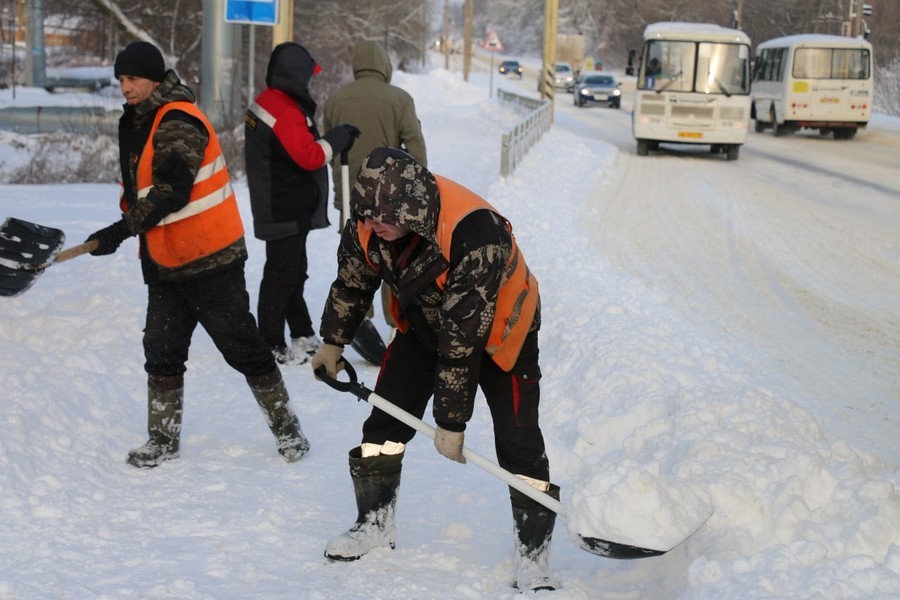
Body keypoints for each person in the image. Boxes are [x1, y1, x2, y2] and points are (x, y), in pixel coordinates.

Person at [311, 147, 559, 592]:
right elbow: (352, 280)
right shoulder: (369, 224)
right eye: (365, 215)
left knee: (519, 444)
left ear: (412, 208)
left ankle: (533, 555)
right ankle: (375, 525)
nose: (373, 225)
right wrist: (333, 341)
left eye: (383, 216)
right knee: (382, 427)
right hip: (426, 326)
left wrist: (451, 422)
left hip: (502, 331)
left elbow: (463, 341)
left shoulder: (474, 232)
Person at [85, 41, 309, 468]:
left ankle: (287, 430)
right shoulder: (137, 121)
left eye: (133, 79)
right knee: (161, 348)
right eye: (121, 80)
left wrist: (120, 230)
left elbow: (172, 192)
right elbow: (141, 187)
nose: (125, 88)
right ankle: (162, 440)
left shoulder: (177, 120)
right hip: (165, 259)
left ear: (154, 78)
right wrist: (127, 218)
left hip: (211, 260)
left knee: (242, 346)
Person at [245, 42, 359, 366]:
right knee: (281, 277)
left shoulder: (272, 102)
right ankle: (269, 343)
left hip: (283, 203)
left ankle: (301, 333)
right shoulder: (283, 111)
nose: (309, 84)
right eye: (307, 77)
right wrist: (338, 138)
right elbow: (308, 156)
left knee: (293, 273)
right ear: (294, 77)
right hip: (284, 207)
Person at [323, 40, 427, 339]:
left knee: (356, 256)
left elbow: (329, 146)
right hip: (391, 200)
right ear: (384, 64)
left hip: (352, 195)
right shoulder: (400, 99)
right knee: (393, 258)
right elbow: (417, 149)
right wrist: (416, 193)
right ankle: (397, 325)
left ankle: (357, 321)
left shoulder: (336, 99)